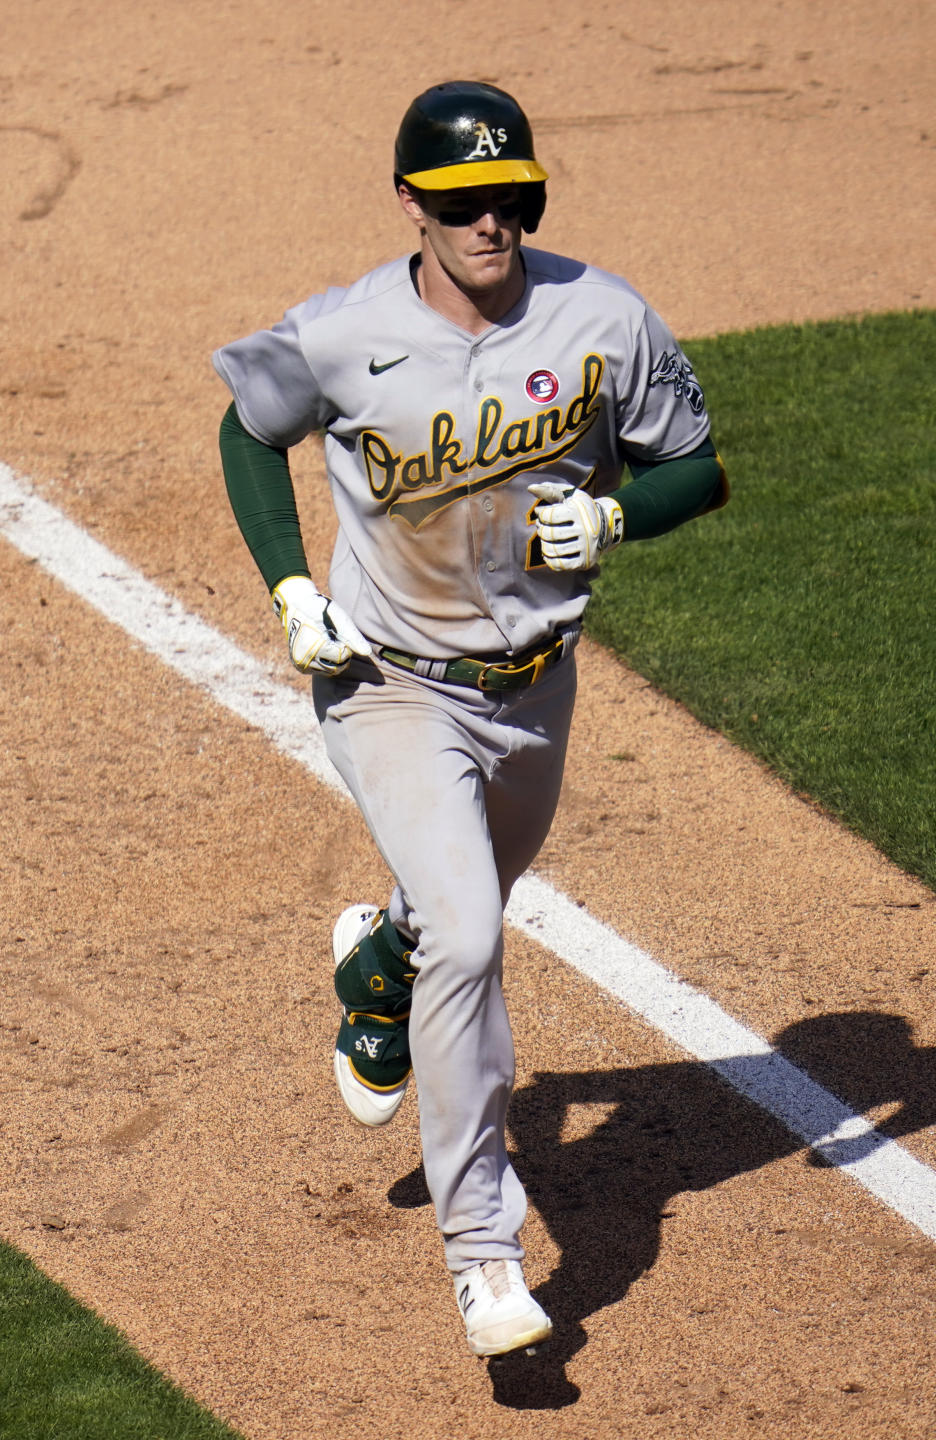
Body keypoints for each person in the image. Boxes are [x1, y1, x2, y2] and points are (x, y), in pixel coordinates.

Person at [212, 80, 728, 1359]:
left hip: (535, 690)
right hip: (386, 681)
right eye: (460, 203)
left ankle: (375, 967)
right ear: (412, 205)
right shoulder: (343, 334)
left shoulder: (602, 317)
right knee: (476, 931)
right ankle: (485, 1257)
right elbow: (248, 428)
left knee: (446, 926)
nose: (489, 221)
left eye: (511, 197)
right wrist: (290, 588)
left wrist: (619, 516)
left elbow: (695, 465)